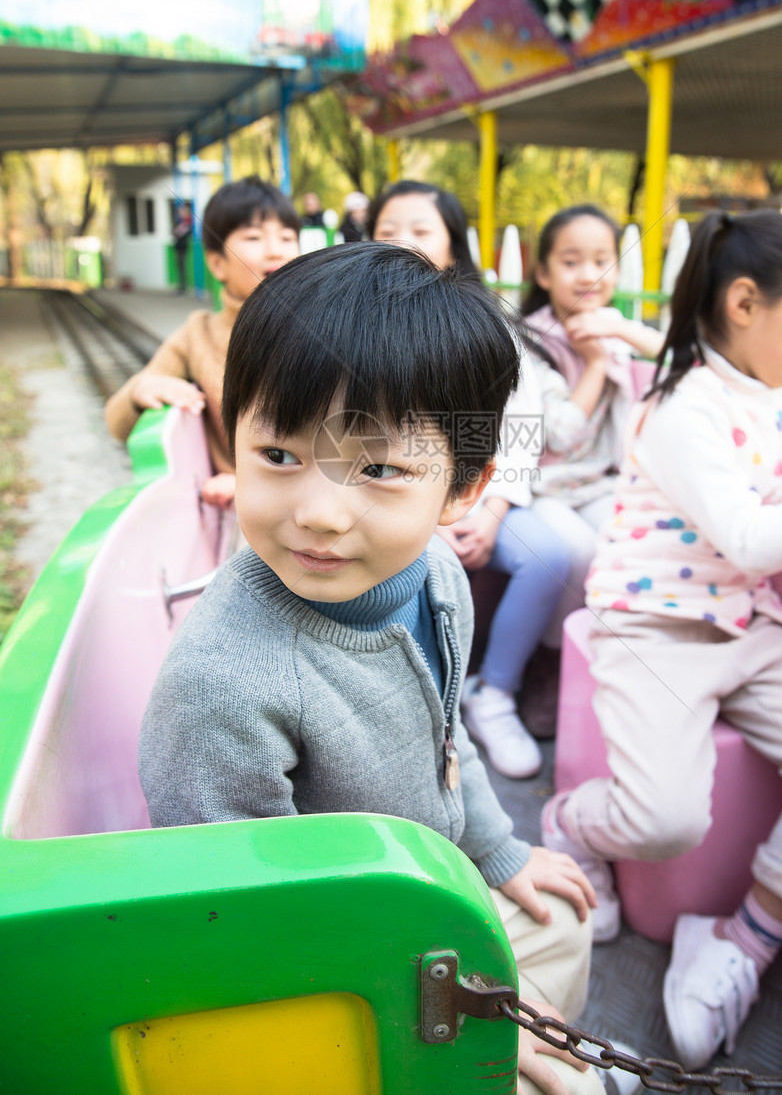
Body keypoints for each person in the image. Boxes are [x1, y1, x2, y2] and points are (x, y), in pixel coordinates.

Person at [138, 243, 610, 1095]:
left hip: (417, 889)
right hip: (331, 973)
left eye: (381, 470)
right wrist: (454, 1034)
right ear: (234, 439)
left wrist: (499, 851)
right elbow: (249, 936)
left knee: (567, 922)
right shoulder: (223, 687)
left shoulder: (435, 578)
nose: (318, 513)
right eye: (278, 455)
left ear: (464, 489)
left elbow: (443, 735)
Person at [542, 209, 782, 1067]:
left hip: (750, 624)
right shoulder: (682, 407)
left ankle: (745, 939)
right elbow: (751, 537)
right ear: (748, 303)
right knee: (665, 818)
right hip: (654, 626)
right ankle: (570, 822)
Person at [369, 181, 573, 781]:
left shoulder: (491, 327)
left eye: (421, 229)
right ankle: (411, 712)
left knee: (552, 554)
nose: (403, 241)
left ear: (453, 247)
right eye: (388, 229)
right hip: (395, 503)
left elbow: (521, 428)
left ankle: (496, 692)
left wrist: (492, 512)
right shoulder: (356, 326)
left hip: (480, 497)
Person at [519, 206, 663, 741]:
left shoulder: (616, 333)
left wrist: (619, 334)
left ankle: (614, 667)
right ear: (544, 273)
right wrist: (596, 364)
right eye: (572, 261)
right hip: (542, 486)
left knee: (627, 544)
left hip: (600, 482)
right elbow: (559, 436)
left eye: (603, 261)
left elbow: (689, 371)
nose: (589, 275)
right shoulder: (528, 341)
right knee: (577, 551)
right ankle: (550, 663)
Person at [105, 176, 300, 509]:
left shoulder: (326, 323)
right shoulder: (198, 334)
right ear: (217, 263)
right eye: (254, 237)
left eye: (287, 237)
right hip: (236, 519)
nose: (276, 249)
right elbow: (117, 423)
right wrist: (141, 390)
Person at [172, 201, 193, 294]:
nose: (180, 213)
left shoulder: (186, 223)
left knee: (182, 267)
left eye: (181, 211)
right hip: (179, 247)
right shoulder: (182, 223)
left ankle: (183, 286)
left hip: (182, 247)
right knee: (180, 267)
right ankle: (181, 285)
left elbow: (177, 233)